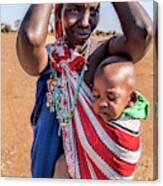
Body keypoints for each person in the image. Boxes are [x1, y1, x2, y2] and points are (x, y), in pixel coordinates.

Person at [16, 2, 152, 178]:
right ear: (59, 12)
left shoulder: (102, 54)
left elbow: (142, 33)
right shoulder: (50, 59)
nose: (86, 22)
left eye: (94, 11)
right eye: (74, 9)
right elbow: (30, 38)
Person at [53, 55, 149, 179]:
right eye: (96, 96)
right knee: (62, 164)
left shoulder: (124, 132)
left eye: (111, 97)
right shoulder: (98, 113)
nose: (101, 104)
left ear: (132, 99)